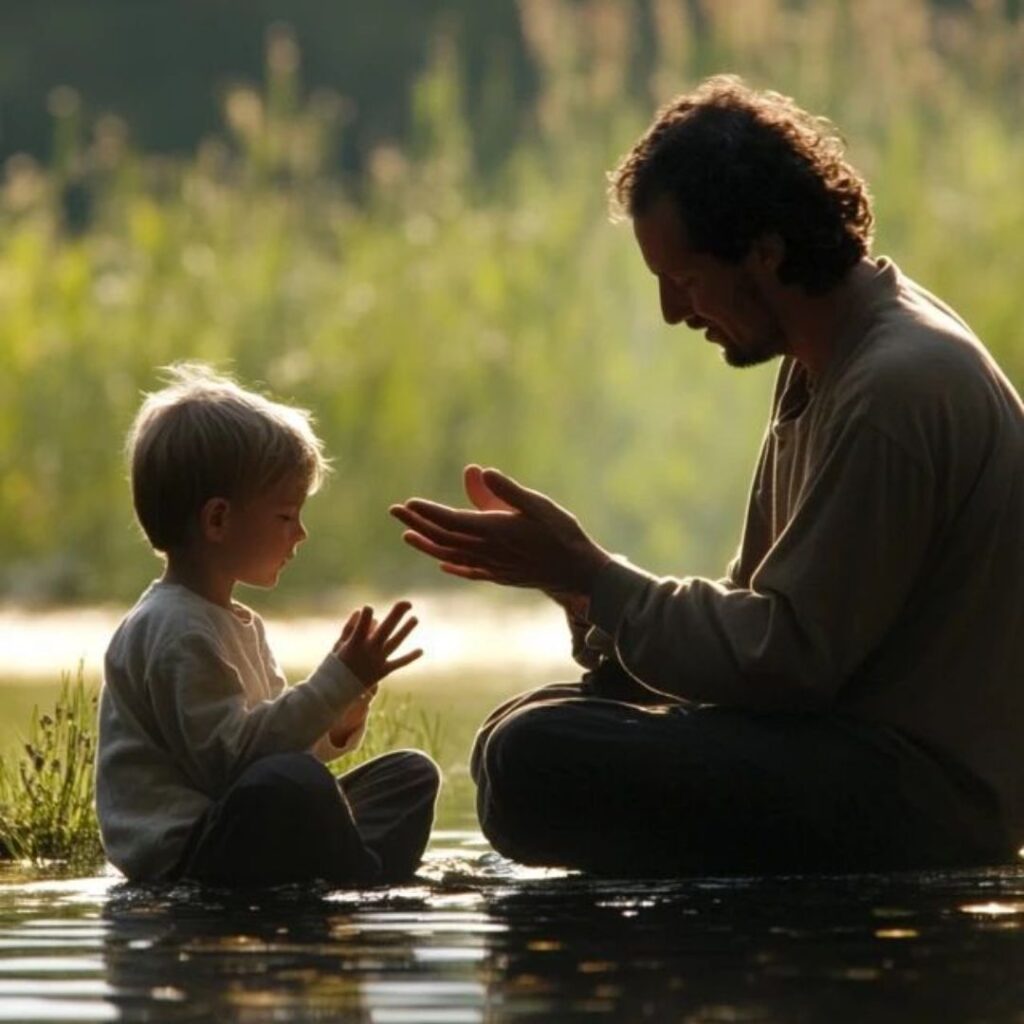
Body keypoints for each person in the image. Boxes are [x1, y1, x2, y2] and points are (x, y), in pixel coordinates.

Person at [390, 76, 1024, 876]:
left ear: (765, 250)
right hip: (842, 746)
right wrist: (586, 594)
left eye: (685, 280)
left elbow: (788, 659)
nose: (672, 312)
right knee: (525, 729)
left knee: (534, 756)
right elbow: (758, 620)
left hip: (926, 800)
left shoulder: (893, 388)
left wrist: (601, 579)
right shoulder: (823, 362)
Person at [97, 364, 439, 886]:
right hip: (191, 850)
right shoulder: (174, 629)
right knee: (290, 784)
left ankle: (347, 868)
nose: (300, 534)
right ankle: (361, 878)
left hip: (249, 811)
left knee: (409, 775)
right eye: (285, 516)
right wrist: (332, 681)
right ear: (217, 520)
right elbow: (234, 767)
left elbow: (281, 745)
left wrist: (342, 714)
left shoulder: (239, 623)